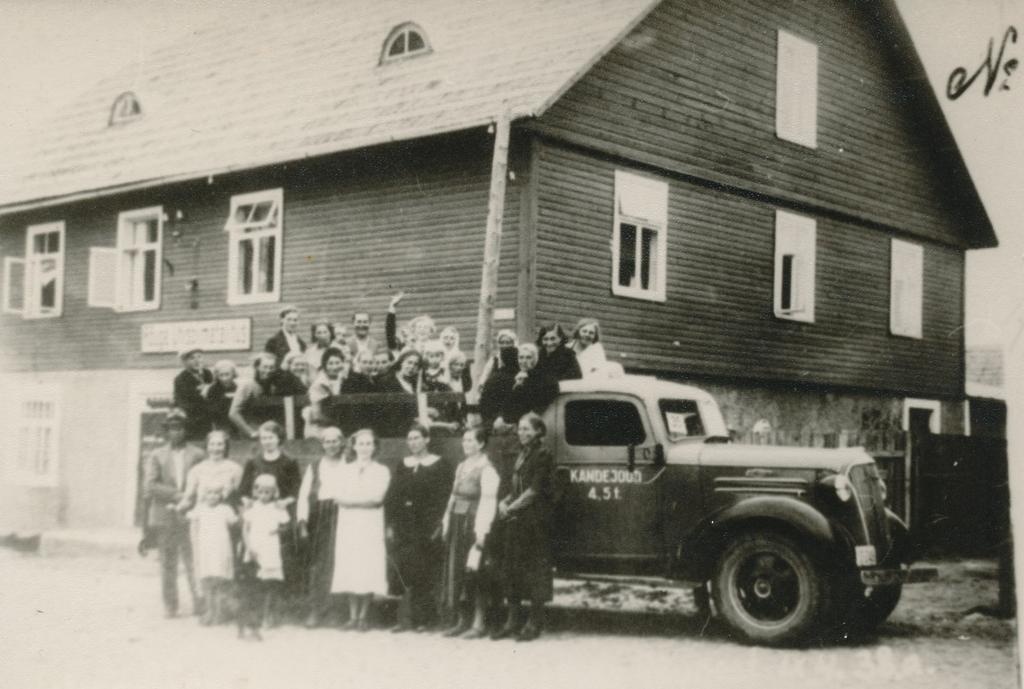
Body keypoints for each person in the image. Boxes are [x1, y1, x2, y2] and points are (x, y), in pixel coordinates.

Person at [493, 413, 555, 642]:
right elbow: (516, 488)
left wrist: (512, 507)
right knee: (512, 568)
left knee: (535, 570)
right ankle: (512, 621)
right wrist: (504, 502)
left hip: (535, 521)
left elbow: (534, 491)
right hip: (518, 519)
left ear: (539, 431)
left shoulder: (543, 455)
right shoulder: (522, 454)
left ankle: (534, 622)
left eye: (528, 429)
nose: (522, 433)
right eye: (520, 429)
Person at [386, 424, 454, 633]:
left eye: (417, 438)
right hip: (404, 525)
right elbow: (393, 496)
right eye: (410, 439)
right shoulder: (403, 465)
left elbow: (444, 497)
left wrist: (439, 524)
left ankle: (424, 619)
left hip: (427, 525)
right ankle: (404, 619)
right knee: (404, 569)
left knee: (424, 570)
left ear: (427, 439)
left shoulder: (440, 464)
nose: (413, 442)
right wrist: (390, 524)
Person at [142, 409, 205, 618]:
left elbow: (203, 483)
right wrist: (178, 496)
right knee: (168, 562)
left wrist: (189, 500)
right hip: (164, 514)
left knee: (193, 559)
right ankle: (170, 605)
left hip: (190, 514)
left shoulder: (197, 454)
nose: (176, 433)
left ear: (186, 430)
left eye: (180, 428)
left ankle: (199, 602)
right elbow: (151, 485)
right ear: (166, 432)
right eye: (172, 429)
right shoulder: (157, 455)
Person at [440, 428, 500, 639]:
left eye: (471, 440)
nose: (466, 444)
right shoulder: (461, 466)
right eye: (464, 440)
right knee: (458, 573)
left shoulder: (487, 470)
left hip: (474, 526)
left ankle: (478, 623)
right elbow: (453, 496)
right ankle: (461, 620)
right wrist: (447, 521)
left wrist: (481, 532)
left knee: (476, 573)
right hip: (458, 523)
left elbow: (488, 502)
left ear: (481, 444)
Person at [333, 429, 391, 631]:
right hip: (349, 524)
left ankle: (363, 617)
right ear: (354, 446)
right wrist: (357, 501)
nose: (364, 447)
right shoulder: (344, 469)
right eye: (361, 443)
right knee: (350, 564)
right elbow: (338, 497)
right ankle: (352, 616)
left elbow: (377, 499)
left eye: (369, 444)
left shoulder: (381, 471)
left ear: (374, 447)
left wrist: (351, 501)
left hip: (370, 523)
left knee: (367, 564)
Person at [239, 421, 302, 601]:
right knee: (254, 557)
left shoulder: (289, 461)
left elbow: (296, 489)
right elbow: (243, 490)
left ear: (279, 439)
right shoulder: (253, 461)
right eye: (263, 438)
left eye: (271, 437)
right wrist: (248, 502)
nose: (267, 441)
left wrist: (284, 502)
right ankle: (256, 605)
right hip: (258, 514)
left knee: (280, 559)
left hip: (279, 515)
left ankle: (280, 604)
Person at [297, 427, 347, 628]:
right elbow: (304, 495)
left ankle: (338, 611)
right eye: (327, 442)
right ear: (322, 444)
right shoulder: (315, 466)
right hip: (321, 516)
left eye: (335, 441)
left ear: (342, 442)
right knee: (319, 565)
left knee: (341, 562)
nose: (332, 445)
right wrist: (302, 521)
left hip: (344, 514)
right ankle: (316, 610)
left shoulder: (350, 464)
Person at [242, 473, 292, 628]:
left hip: (270, 547)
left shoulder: (277, 508)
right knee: (255, 583)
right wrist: (249, 547)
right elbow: (245, 529)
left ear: (274, 492)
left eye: (268, 492)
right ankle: (255, 615)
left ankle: (269, 615)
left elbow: (286, 525)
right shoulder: (252, 507)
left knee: (270, 583)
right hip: (255, 546)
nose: (264, 495)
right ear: (255, 492)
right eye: (260, 492)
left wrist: (277, 531)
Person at [186, 484, 238, 625]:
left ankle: (220, 612)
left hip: (220, 548)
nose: (213, 496)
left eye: (216, 493)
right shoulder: (200, 509)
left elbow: (234, 522)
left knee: (220, 579)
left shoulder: (225, 509)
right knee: (207, 579)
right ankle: (209, 610)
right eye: (210, 492)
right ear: (204, 494)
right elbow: (192, 524)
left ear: (221, 495)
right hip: (205, 549)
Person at [230, 353, 304, 439]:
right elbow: (233, 413)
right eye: (264, 367)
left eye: (271, 367)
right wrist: (250, 432)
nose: (268, 371)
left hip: (270, 432)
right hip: (254, 432)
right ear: (257, 367)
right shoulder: (248, 385)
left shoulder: (275, 386)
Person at [493, 344, 558, 431]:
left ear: (535, 359)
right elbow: (508, 402)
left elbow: (540, 405)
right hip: (511, 426)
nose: (524, 361)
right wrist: (500, 417)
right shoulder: (518, 377)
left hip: (531, 426)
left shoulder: (544, 378)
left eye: (528, 357)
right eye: (521, 357)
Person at [175, 430, 243, 513]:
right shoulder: (197, 470)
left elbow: (240, 497)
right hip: (202, 516)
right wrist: (178, 507)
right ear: (207, 446)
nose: (215, 448)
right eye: (212, 444)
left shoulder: (235, 469)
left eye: (220, 444)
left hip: (225, 516)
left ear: (226, 447)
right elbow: (188, 497)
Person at [376, 349, 422, 437]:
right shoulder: (386, 381)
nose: (412, 366)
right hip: (392, 430)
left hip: (411, 429)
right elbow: (389, 410)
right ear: (401, 362)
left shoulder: (415, 383)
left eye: (416, 364)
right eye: (409, 362)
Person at [173, 348, 214, 440]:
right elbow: (183, 403)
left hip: (209, 421)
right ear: (185, 362)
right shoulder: (181, 379)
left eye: (199, 357)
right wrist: (202, 393)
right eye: (192, 358)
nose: (197, 361)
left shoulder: (208, 374)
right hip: (193, 423)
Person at [307, 347, 348, 435]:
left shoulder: (343, 380)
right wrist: (336, 424)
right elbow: (316, 414)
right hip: (321, 427)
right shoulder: (319, 384)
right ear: (325, 365)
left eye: (337, 362)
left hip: (340, 425)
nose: (334, 366)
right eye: (330, 363)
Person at [479, 347, 519, 430]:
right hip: (515, 421)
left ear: (502, 361)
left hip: (494, 422)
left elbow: (484, 405)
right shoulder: (520, 375)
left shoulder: (495, 378)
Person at [205, 360, 239, 433]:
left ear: (233, 374)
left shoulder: (237, 387)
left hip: (236, 421)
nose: (224, 378)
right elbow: (211, 409)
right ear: (217, 376)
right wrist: (224, 399)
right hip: (220, 422)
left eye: (227, 374)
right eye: (221, 375)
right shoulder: (213, 389)